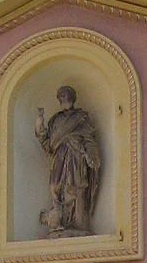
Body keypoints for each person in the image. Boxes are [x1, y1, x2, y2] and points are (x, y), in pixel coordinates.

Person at [34, 85, 101, 235]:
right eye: (62, 97)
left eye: (67, 96)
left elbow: (89, 139)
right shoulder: (55, 120)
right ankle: (60, 222)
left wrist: (91, 155)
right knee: (56, 187)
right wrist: (39, 123)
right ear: (59, 100)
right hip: (59, 158)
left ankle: (78, 224)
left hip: (76, 158)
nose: (65, 99)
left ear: (73, 98)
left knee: (76, 187)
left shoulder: (81, 117)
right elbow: (47, 142)